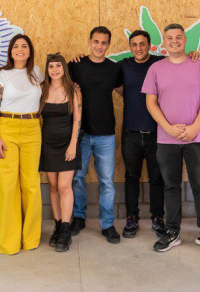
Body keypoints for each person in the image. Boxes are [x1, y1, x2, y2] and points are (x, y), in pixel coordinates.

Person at [143, 24, 200, 261]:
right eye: (170, 38)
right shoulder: (156, 68)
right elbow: (151, 102)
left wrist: (195, 126)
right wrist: (167, 127)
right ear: (164, 42)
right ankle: (172, 231)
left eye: (179, 37)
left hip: (196, 137)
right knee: (171, 186)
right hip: (166, 139)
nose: (174, 41)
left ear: (185, 40)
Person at [67, 26, 123, 243]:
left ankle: (107, 224)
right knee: (78, 178)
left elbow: (124, 91)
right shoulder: (76, 65)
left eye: (104, 43)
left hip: (106, 134)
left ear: (108, 45)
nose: (99, 46)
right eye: (96, 42)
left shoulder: (114, 69)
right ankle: (79, 217)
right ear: (89, 41)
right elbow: (58, 83)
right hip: (80, 133)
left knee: (107, 181)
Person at [0, 34, 43, 255]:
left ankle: (30, 238)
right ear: (10, 51)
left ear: (30, 51)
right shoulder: (1, 74)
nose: (20, 50)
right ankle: (7, 241)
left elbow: (55, 86)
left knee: (31, 184)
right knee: (7, 185)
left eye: (24, 46)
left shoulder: (37, 73)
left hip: (32, 128)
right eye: (16, 46)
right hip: (7, 128)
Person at [118, 31, 166, 238]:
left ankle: (157, 217)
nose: (138, 48)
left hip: (156, 132)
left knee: (157, 178)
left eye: (142, 44)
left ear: (149, 45)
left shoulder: (160, 63)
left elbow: (182, 61)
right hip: (131, 133)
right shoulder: (123, 65)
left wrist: (194, 54)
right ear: (130, 46)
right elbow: (100, 70)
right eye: (134, 44)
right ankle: (132, 217)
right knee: (131, 176)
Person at [39, 53, 82, 252]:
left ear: (64, 68)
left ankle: (66, 229)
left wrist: (73, 144)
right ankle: (57, 225)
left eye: (58, 66)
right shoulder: (41, 89)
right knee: (54, 186)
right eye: (51, 67)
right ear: (47, 70)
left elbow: (77, 120)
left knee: (65, 186)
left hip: (67, 144)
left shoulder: (73, 90)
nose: (54, 70)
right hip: (47, 144)